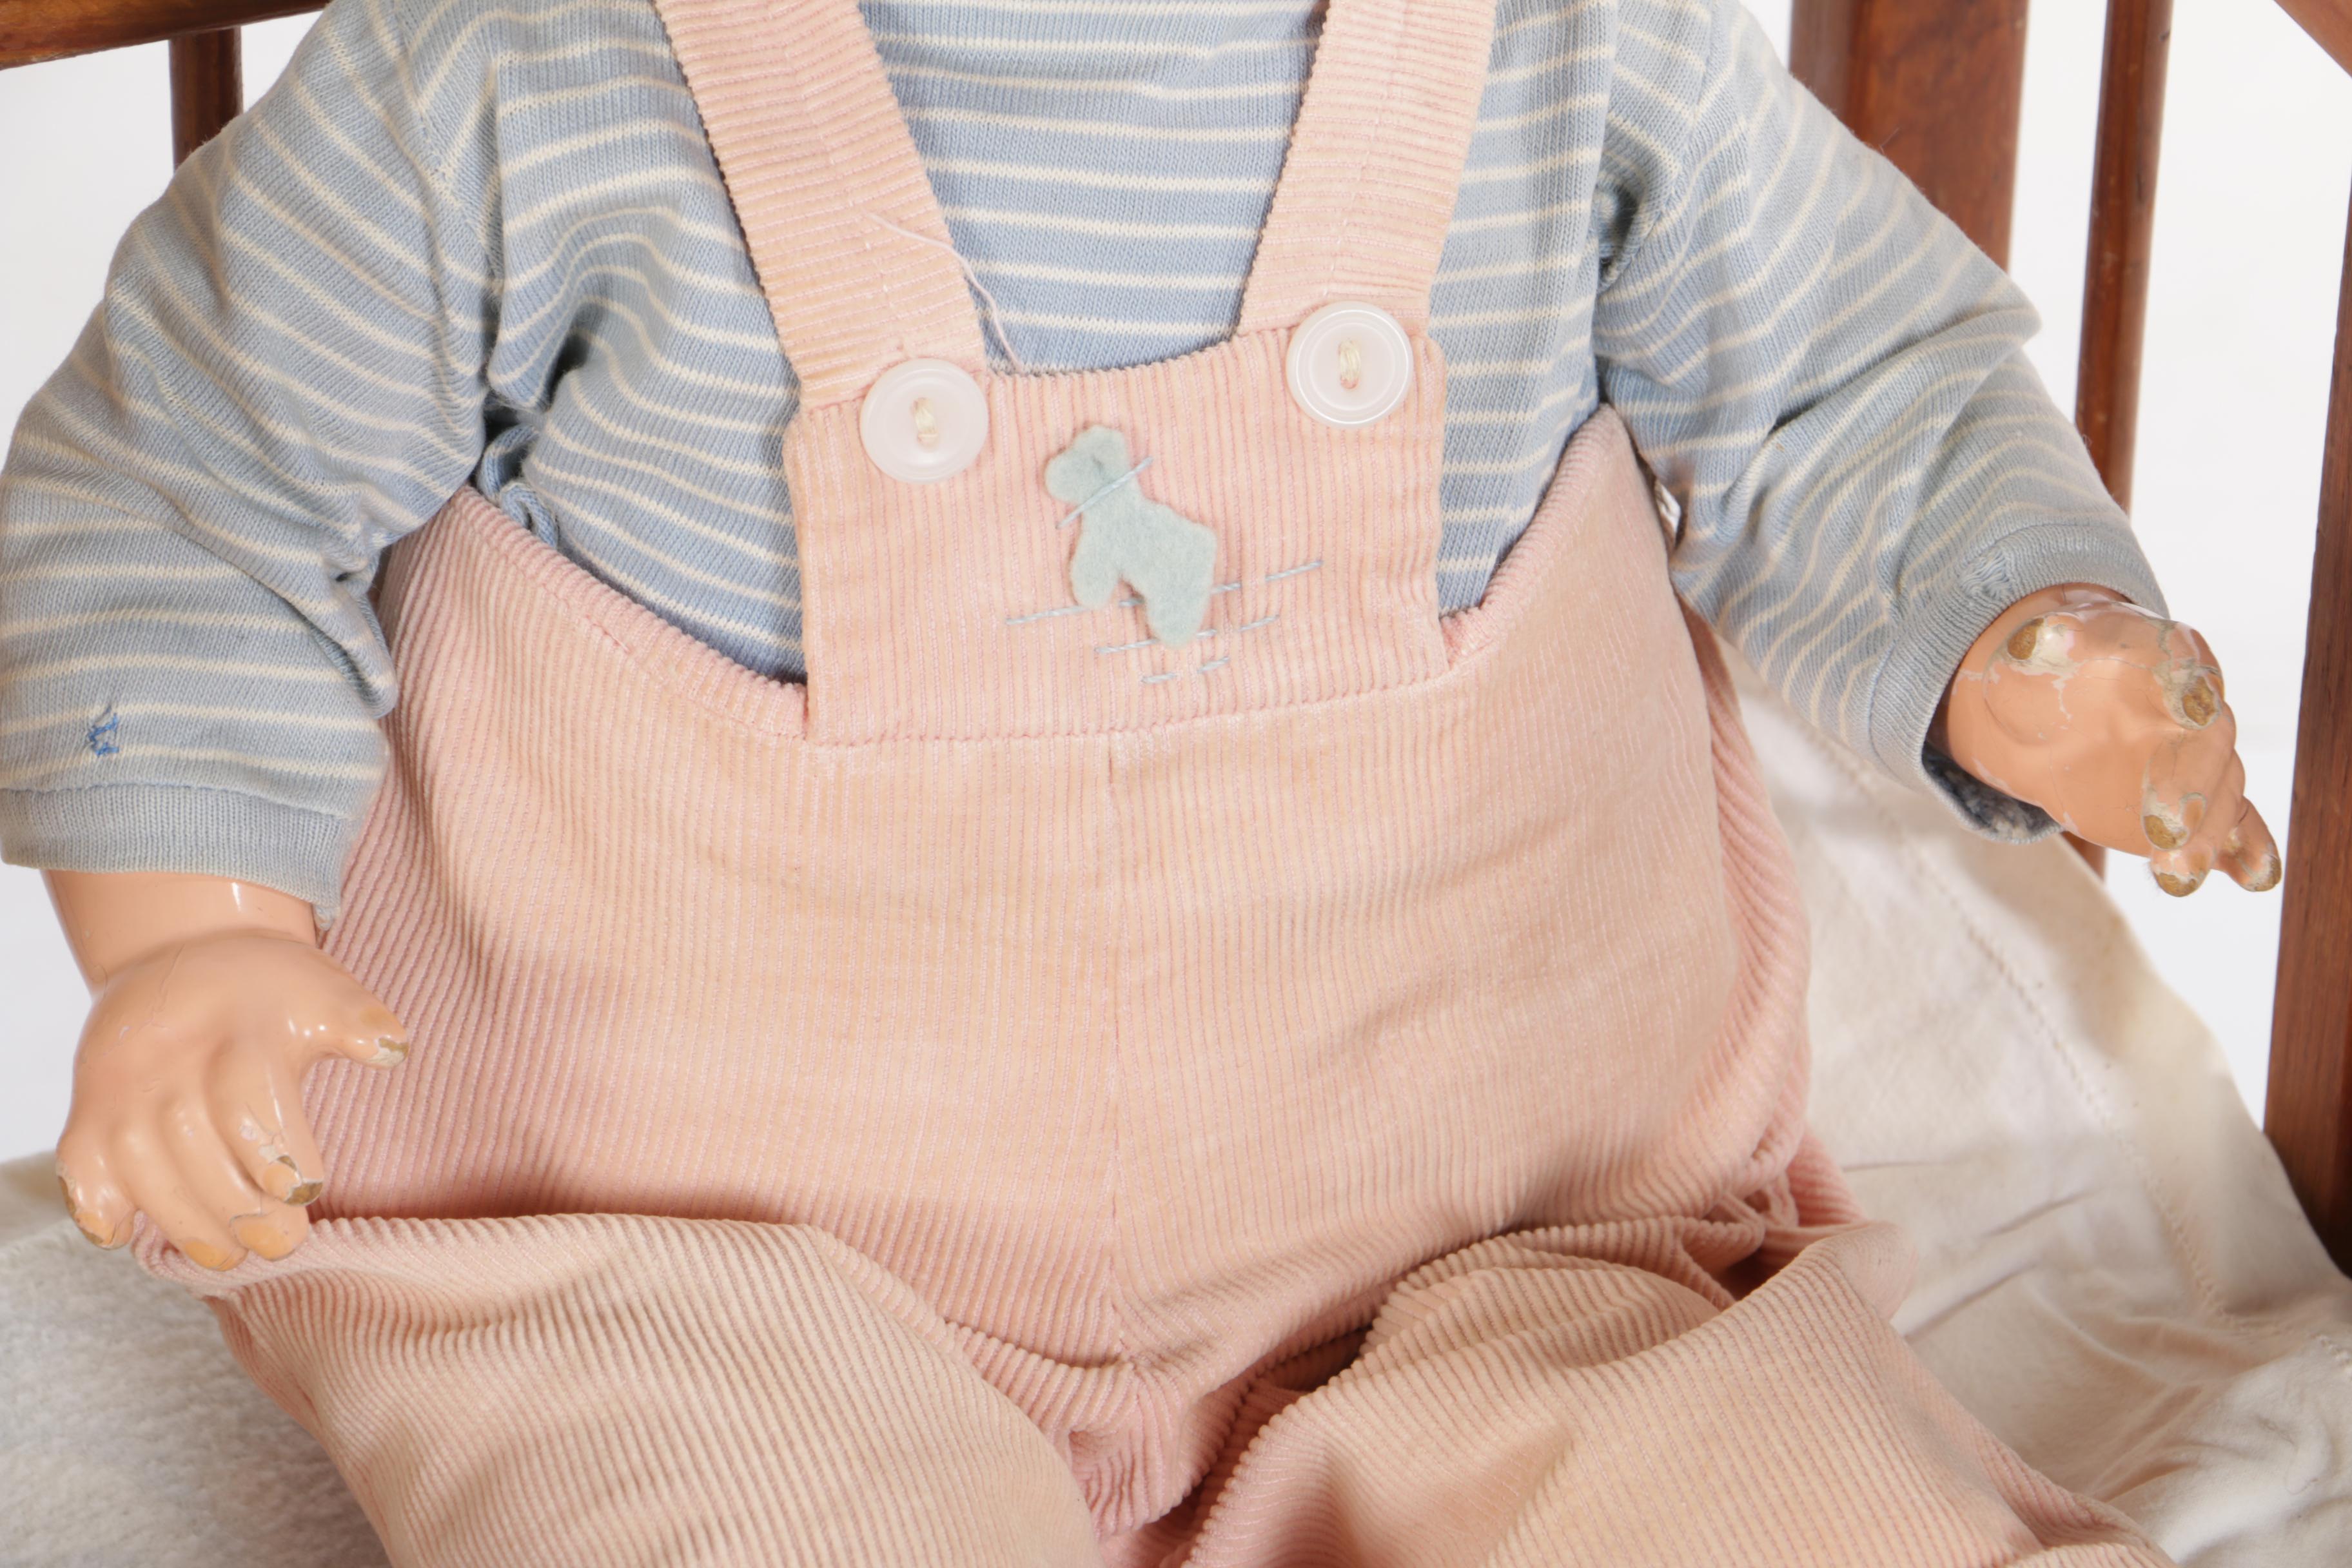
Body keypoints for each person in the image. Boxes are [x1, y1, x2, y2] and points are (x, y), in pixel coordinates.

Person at [1, 0, 2273, 1560]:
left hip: (1523, 1248)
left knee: (1784, 1499)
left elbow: (1853, 388)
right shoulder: (522, 76)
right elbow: (185, 484)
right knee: (703, 1507)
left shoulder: (1566, 57)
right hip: (689, 1280)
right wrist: (196, 931)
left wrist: (2009, 631)